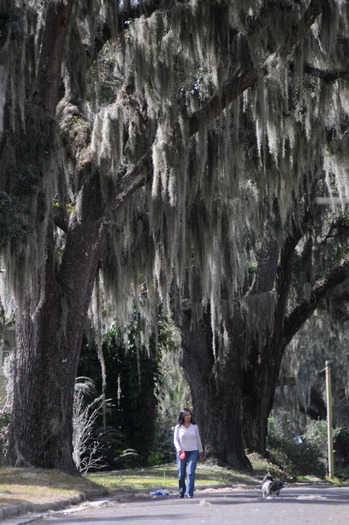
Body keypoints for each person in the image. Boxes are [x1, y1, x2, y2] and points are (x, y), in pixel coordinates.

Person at [173, 407, 204, 499]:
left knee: (190, 472)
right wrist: (179, 450)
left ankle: (189, 492)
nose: (188, 416)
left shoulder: (194, 426)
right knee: (181, 474)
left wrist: (200, 450)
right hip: (181, 452)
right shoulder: (178, 427)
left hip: (193, 451)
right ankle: (182, 491)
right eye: (186, 415)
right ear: (182, 416)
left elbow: (198, 439)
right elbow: (175, 440)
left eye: (189, 414)